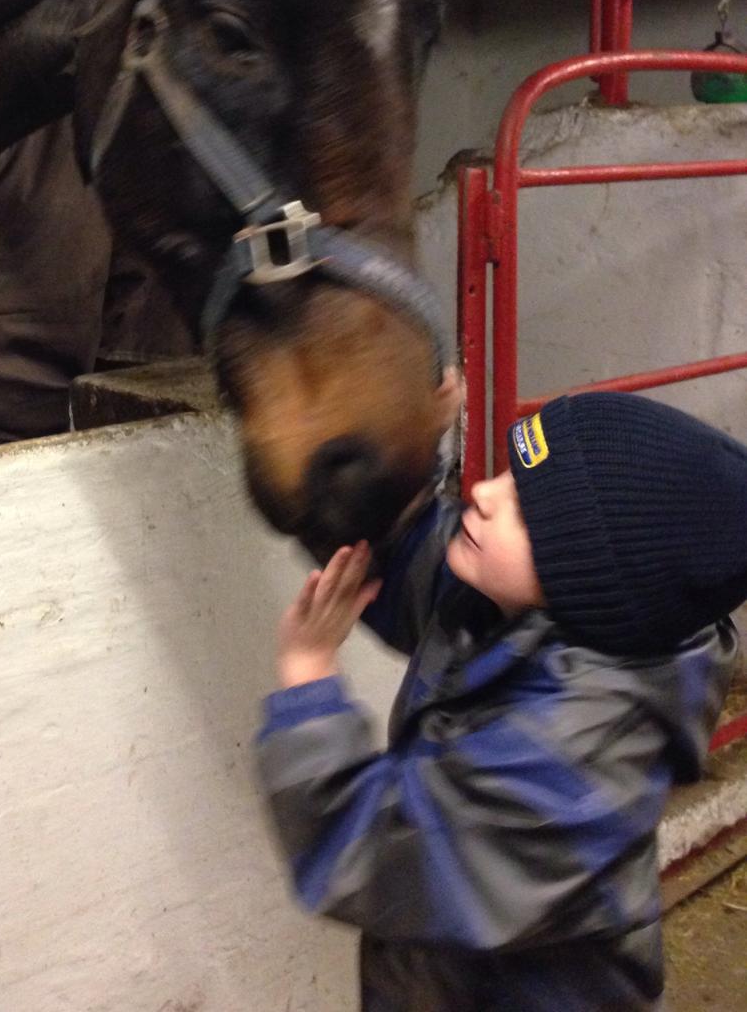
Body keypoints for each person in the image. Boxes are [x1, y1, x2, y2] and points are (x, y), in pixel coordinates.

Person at [255, 390, 747, 1011]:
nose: (484, 492)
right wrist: (395, 444)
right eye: (511, 476)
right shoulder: (524, 607)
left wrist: (307, 679)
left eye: (526, 510)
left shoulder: (576, 761)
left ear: (589, 577)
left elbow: (370, 853)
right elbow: (404, 556)